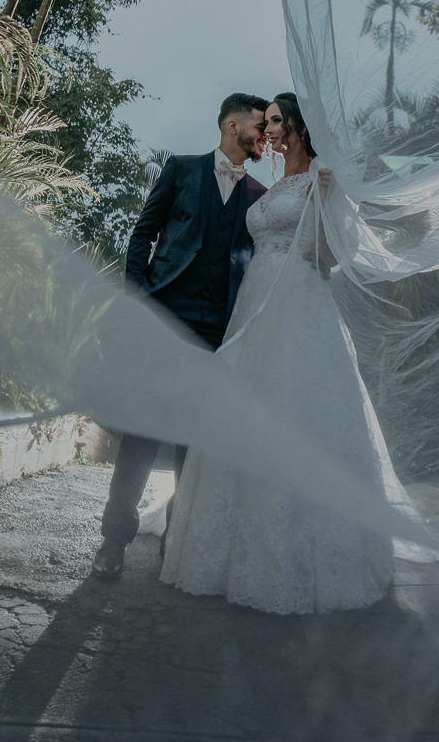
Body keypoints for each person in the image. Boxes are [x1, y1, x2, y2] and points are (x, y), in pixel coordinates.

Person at [159, 93, 400, 614]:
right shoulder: (270, 189)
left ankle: (300, 555)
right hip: (254, 304)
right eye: (263, 121)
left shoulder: (320, 179)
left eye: (272, 120)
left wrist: (325, 224)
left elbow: (334, 254)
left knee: (294, 406)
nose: (265, 130)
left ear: (294, 126)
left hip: (297, 301)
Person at [92, 92, 269, 579]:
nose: (265, 136)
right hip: (165, 319)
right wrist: (141, 296)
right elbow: (142, 233)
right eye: (259, 126)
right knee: (143, 434)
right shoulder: (182, 169)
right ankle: (113, 541)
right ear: (232, 127)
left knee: (196, 439)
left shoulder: (259, 195)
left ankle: (179, 537)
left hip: (219, 330)